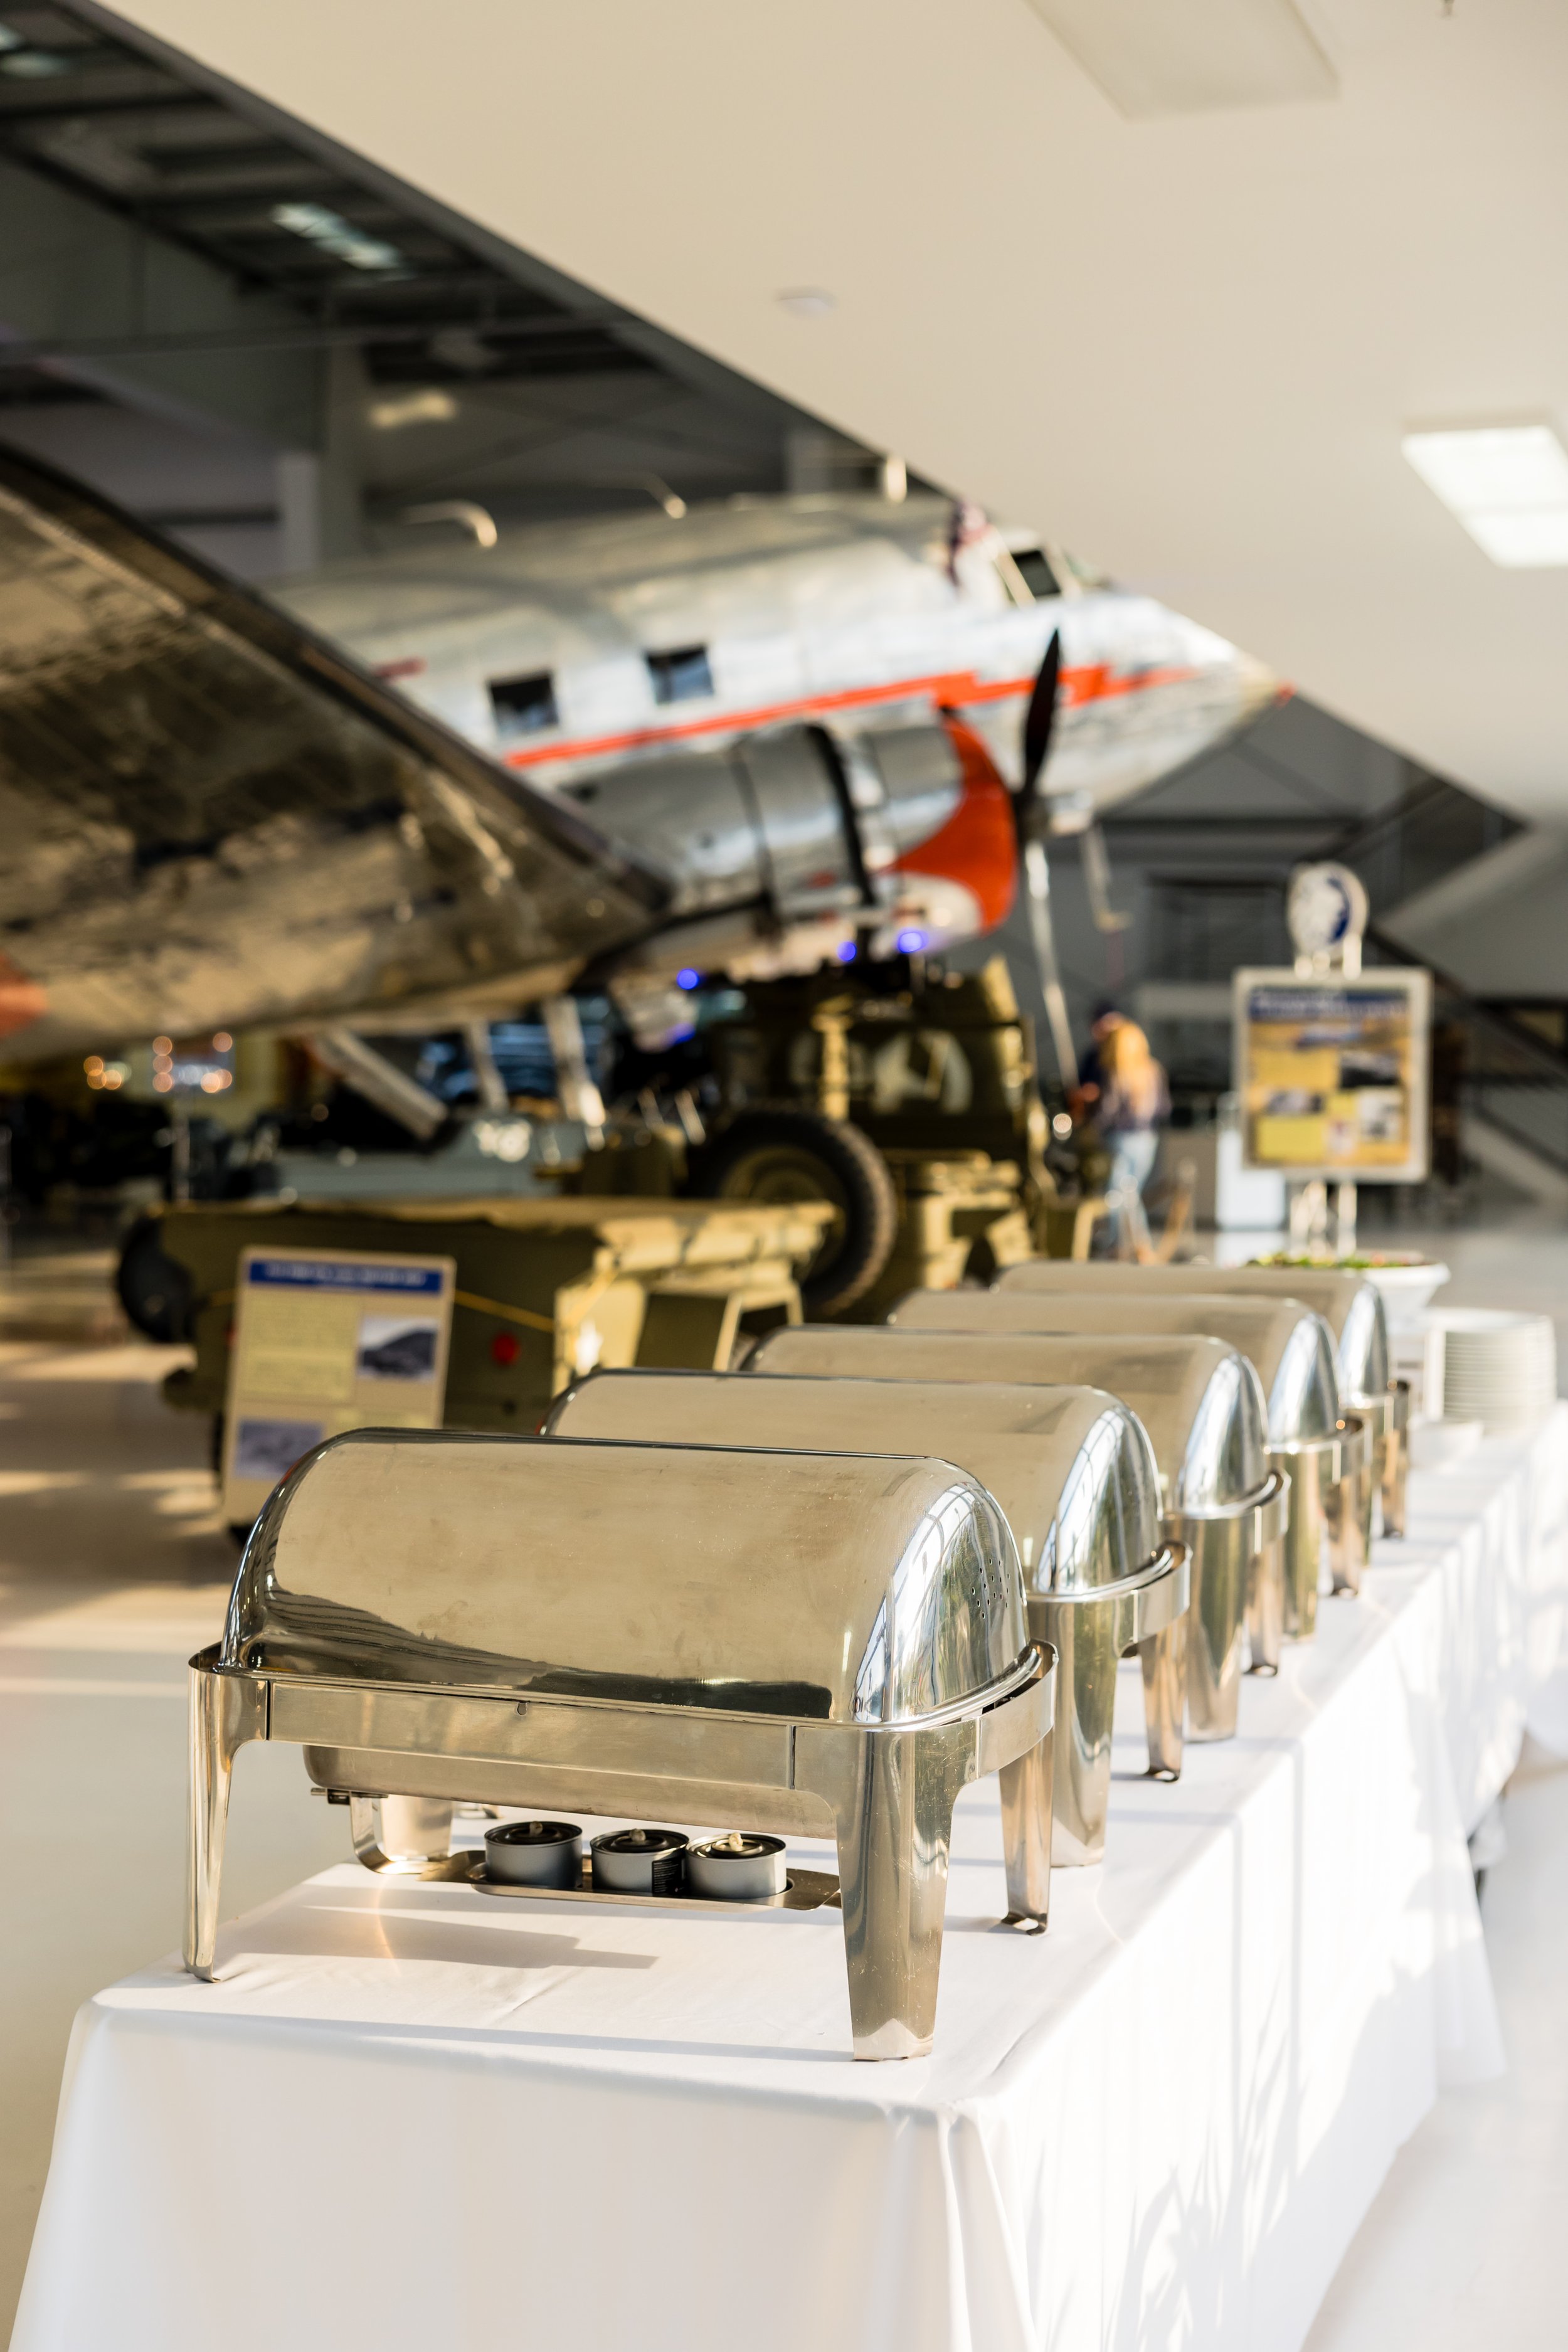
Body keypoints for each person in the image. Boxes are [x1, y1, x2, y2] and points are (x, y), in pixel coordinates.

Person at [1073, 1003, 1168, 1254]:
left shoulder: (1118, 1073)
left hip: (1120, 1138)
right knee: (1130, 1193)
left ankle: (1124, 1243)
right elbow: (1163, 1108)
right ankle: (1138, 1243)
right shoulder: (1153, 1070)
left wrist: (1091, 1125)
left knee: (1118, 1194)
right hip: (1147, 1138)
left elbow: (1108, 1111)